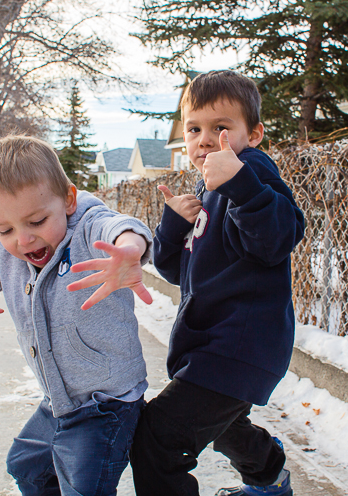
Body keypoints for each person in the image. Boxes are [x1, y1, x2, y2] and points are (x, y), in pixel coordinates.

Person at [0, 135, 153, 496]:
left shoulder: (88, 231)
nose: (23, 239)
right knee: (26, 466)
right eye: (5, 229)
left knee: (83, 487)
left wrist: (128, 250)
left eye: (36, 221)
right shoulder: (8, 254)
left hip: (106, 406)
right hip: (59, 401)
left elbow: (120, 226)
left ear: (67, 199)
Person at [129, 70, 305, 496]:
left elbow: (280, 236)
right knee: (224, 427)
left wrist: (242, 185)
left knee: (157, 441)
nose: (204, 139)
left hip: (239, 344)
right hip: (212, 345)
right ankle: (269, 477)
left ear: (255, 134)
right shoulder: (209, 187)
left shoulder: (253, 170)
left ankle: (269, 476)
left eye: (220, 128)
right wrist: (173, 225)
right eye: (194, 129)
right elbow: (178, 272)